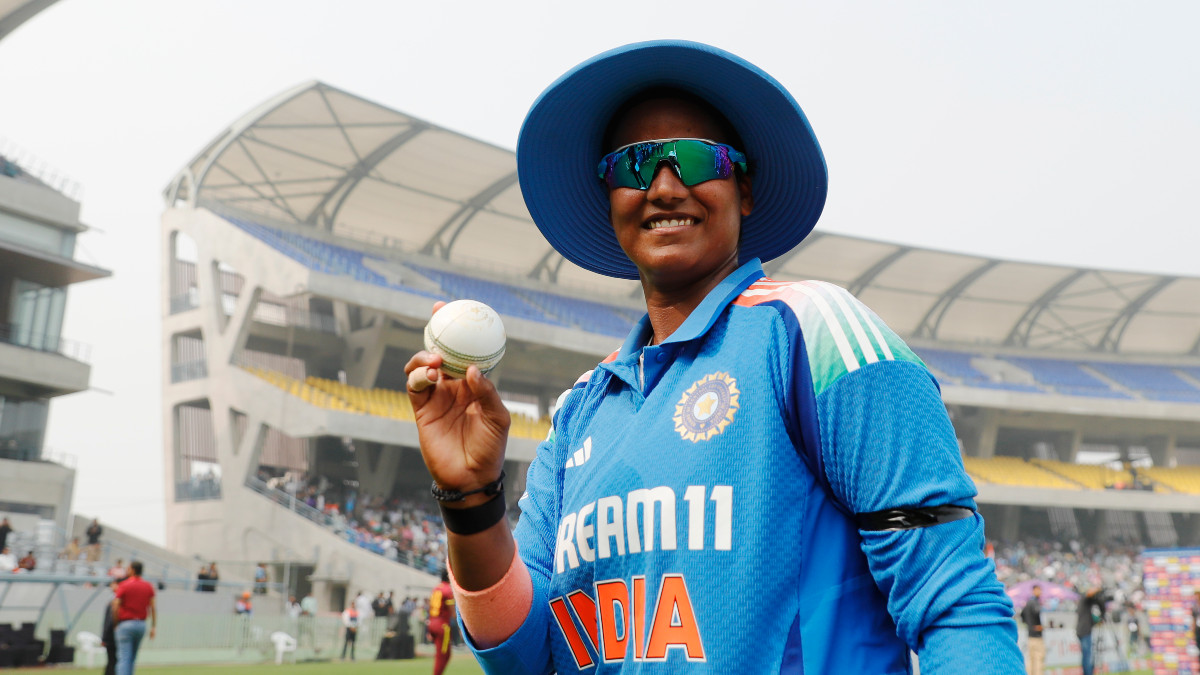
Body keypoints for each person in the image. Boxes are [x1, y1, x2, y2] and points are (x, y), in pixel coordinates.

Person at [404, 40, 1022, 674]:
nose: (665, 185)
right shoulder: (581, 411)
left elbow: (955, 606)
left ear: (744, 189)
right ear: (610, 197)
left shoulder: (814, 332)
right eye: (634, 164)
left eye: (695, 159)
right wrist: (471, 500)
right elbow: (525, 658)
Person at [112, 560, 156, 675]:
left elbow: (115, 605)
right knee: (132, 658)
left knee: (124, 657)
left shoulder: (124, 585)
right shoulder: (148, 586)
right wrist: (153, 627)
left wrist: (116, 624)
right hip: (141, 625)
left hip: (125, 624)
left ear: (132, 570)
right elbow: (153, 608)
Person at [426, 571, 456, 675]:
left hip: (432, 622)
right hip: (442, 626)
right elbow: (453, 612)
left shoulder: (436, 589)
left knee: (445, 654)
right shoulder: (448, 590)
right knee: (442, 655)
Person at [1077, 587, 1105, 675]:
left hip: (1085, 631)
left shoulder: (1086, 604)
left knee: (1087, 655)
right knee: (1087, 656)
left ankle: (1088, 672)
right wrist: (1099, 588)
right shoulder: (1084, 600)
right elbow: (1090, 593)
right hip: (1084, 631)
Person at [1021, 584, 1045, 675]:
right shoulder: (1035, 602)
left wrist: (1029, 625)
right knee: (1038, 658)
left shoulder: (1027, 603)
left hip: (1030, 634)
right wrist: (1037, 626)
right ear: (1034, 590)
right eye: (1039, 590)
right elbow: (1037, 611)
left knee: (1031, 659)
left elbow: (1022, 616)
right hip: (1037, 635)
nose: (1040, 592)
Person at [101, 579, 119, 675]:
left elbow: (109, 621)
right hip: (111, 636)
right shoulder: (112, 600)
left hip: (113, 635)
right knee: (112, 660)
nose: (111, 587)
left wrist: (105, 637)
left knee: (113, 661)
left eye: (114, 584)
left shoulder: (115, 601)